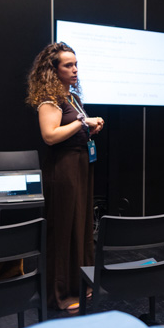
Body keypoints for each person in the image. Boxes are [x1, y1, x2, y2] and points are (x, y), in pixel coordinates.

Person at [26, 42, 104, 310]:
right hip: (64, 169)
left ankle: (80, 283)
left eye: (76, 64)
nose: (75, 70)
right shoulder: (50, 101)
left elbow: (72, 130)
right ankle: (59, 294)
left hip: (80, 165)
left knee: (80, 227)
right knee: (63, 230)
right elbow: (50, 136)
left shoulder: (72, 98)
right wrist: (82, 122)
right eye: (68, 65)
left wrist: (89, 128)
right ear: (53, 69)